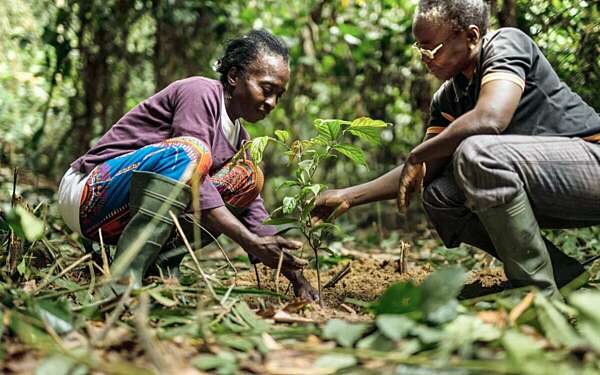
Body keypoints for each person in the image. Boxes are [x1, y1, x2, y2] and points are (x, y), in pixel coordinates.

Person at [312, 0, 600, 299]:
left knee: (478, 154)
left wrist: (417, 154)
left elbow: (491, 118)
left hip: (592, 164)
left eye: (431, 48)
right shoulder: (448, 99)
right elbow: (423, 171)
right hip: (546, 186)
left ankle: (539, 297)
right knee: (440, 195)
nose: (424, 58)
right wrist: (348, 196)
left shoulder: (506, 44)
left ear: (471, 36)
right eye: (419, 48)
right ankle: (563, 277)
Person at [58, 29, 318, 300]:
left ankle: (158, 267)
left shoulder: (240, 138)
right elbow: (194, 173)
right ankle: (124, 280)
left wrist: (297, 278)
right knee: (191, 152)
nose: (271, 103)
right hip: (87, 195)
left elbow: (254, 211)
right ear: (233, 77)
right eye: (266, 89)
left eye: (279, 95)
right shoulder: (201, 92)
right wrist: (247, 240)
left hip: (117, 217)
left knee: (248, 177)